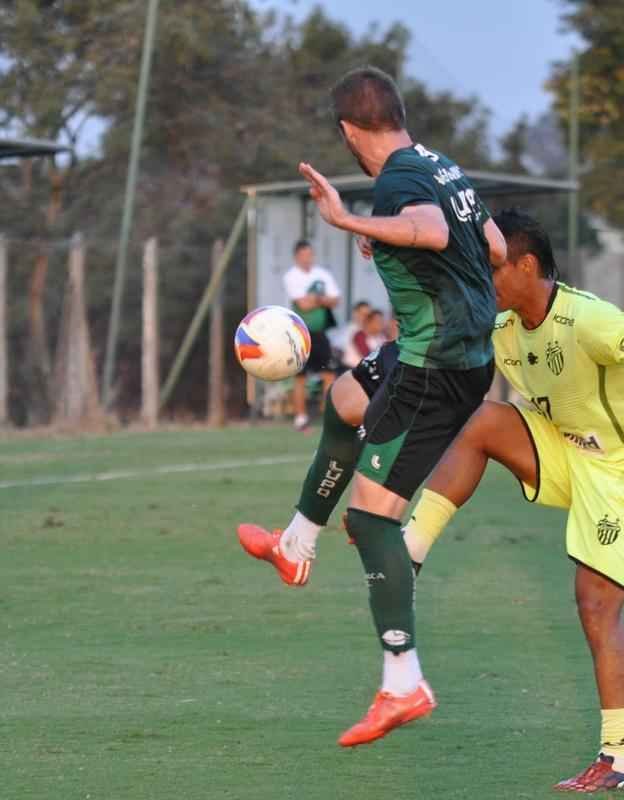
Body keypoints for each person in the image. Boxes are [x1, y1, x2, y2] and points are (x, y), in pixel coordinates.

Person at [236, 65, 507, 747]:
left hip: (435, 367)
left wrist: (349, 218)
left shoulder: (396, 181)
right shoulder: (441, 166)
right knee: (344, 398)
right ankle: (295, 545)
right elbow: (493, 246)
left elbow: (432, 232)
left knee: (370, 518)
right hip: (441, 350)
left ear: (349, 131)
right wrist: (387, 234)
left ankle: (402, 682)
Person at [404, 210, 624, 792]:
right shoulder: (502, 324)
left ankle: (620, 760)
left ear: (526, 266)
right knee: (482, 422)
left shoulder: (587, 319)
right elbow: (438, 298)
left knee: (596, 608)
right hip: (566, 449)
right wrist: (395, 254)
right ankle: (405, 556)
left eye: (491, 269)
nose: (482, 282)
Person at [283, 240, 341, 430]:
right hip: (300, 334)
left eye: (310, 254)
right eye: (304, 255)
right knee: (300, 376)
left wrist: (315, 299)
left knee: (329, 373)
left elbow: (336, 300)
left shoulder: (322, 274)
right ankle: (301, 417)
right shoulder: (292, 276)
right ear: (296, 257)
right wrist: (322, 299)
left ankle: (327, 416)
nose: (308, 258)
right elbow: (303, 305)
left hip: (320, 332)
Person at [338, 300, 372, 368]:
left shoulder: (373, 332)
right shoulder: (347, 331)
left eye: (368, 315)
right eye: (362, 313)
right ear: (355, 313)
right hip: (349, 368)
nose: (365, 317)